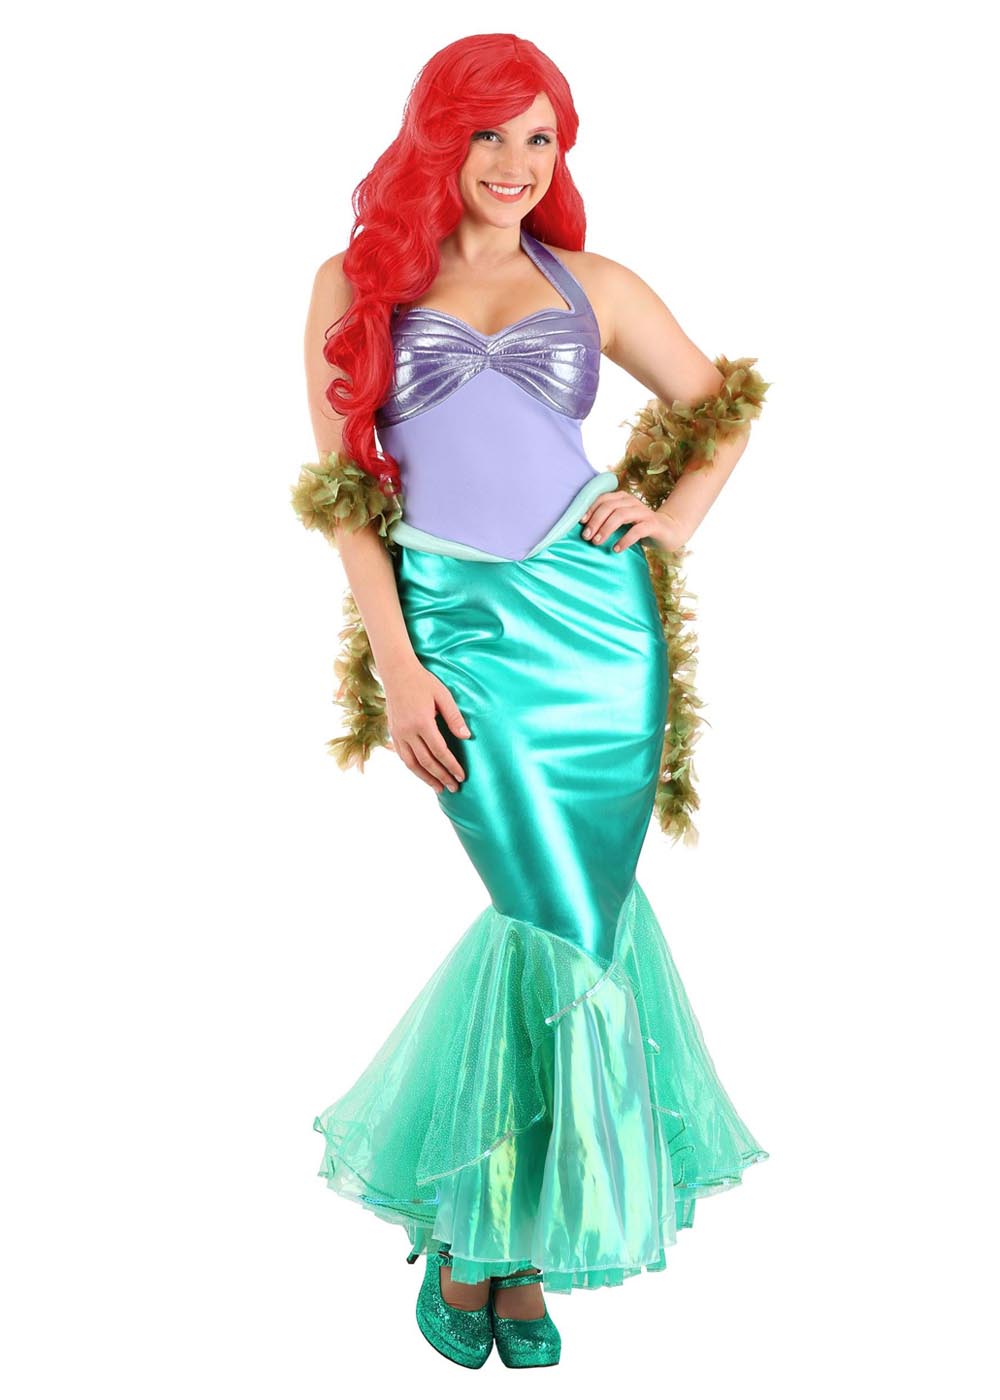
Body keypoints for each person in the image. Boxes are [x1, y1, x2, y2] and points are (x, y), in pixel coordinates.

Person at [295, 33, 769, 1370]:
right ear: (435, 138)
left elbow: (721, 403)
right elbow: (348, 493)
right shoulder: (358, 283)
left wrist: (671, 518)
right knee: (544, 915)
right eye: (489, 134)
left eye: (541, 138)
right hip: (460, 633)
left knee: (583, 921)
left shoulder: (591, 283)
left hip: (596, 632)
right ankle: (479, 1226)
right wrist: (397, 664)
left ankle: (511, 1246)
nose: (515, 164)